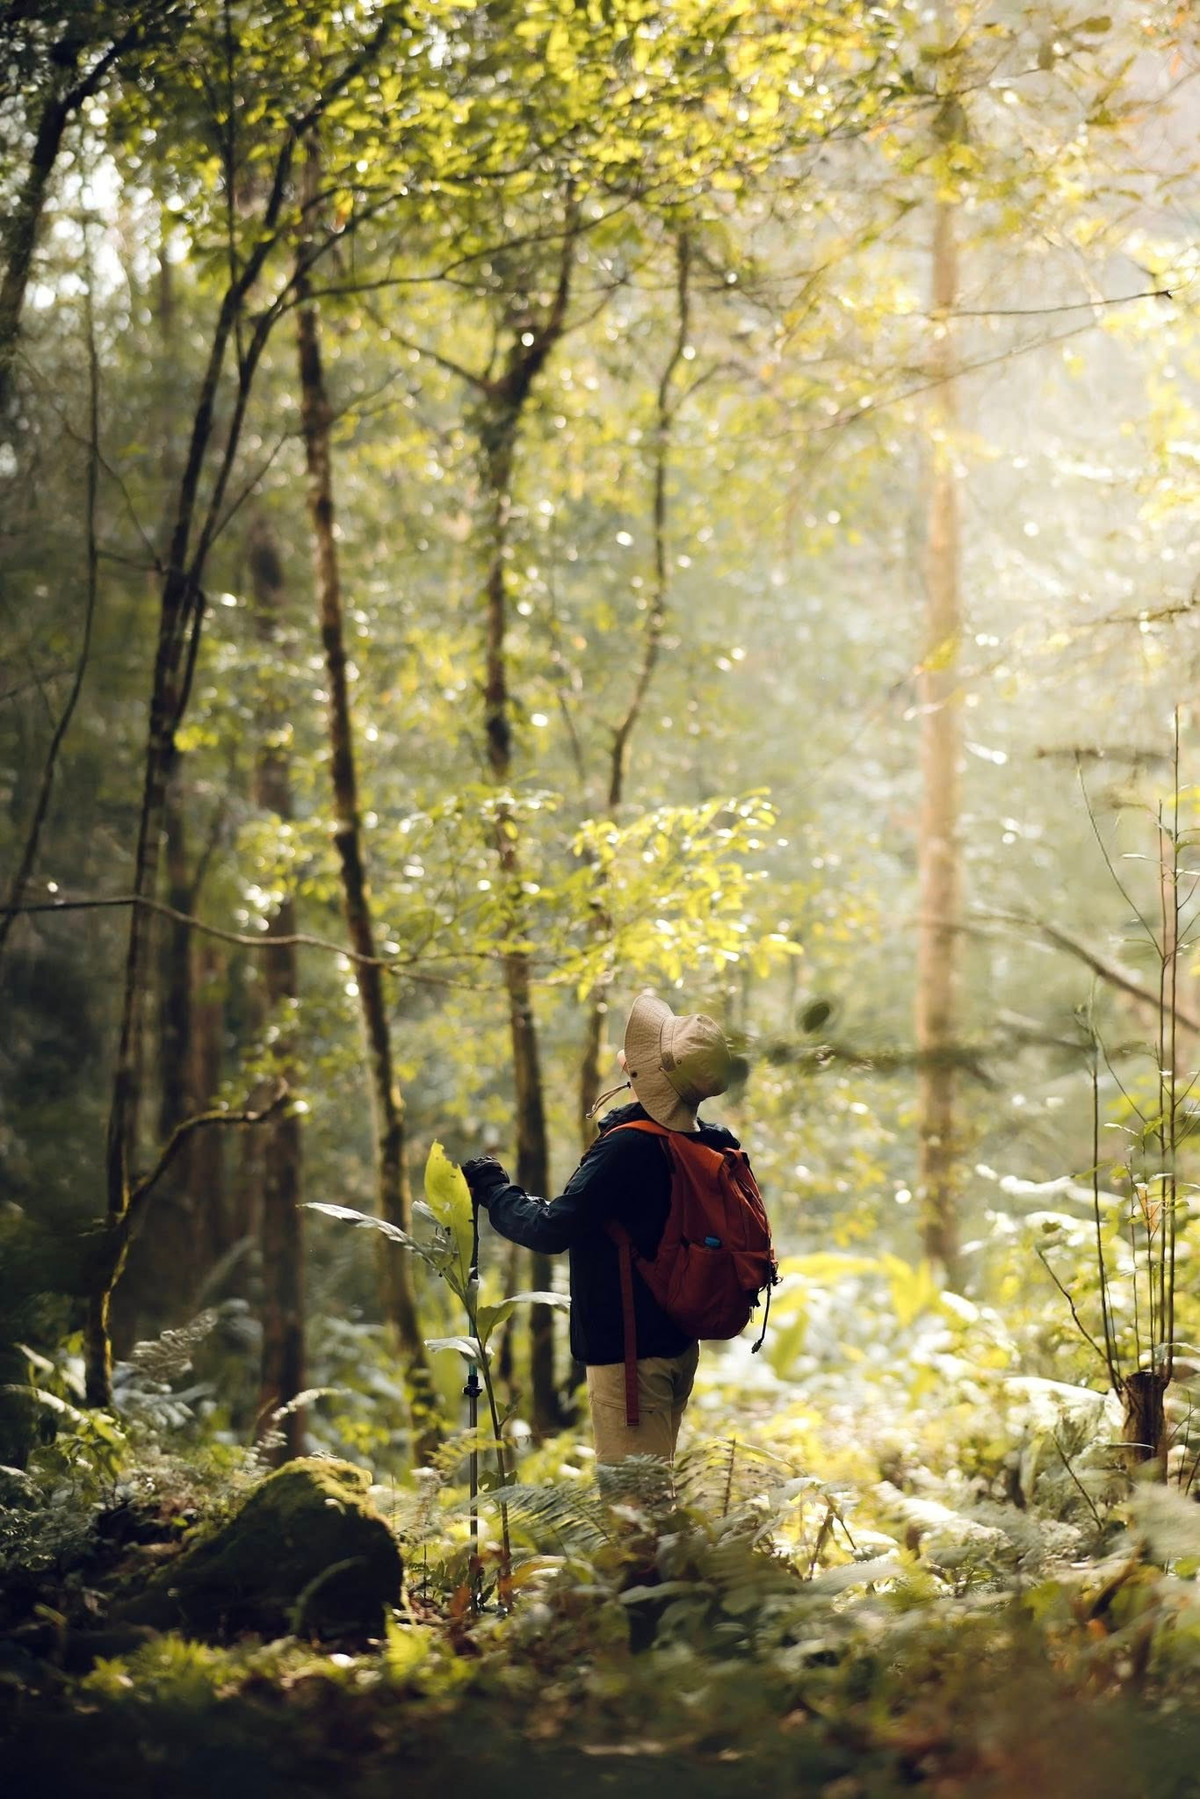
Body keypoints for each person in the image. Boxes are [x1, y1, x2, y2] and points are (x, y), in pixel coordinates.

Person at [461, 993, 739, 1466]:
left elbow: (552, 1230)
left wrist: (495, 1190)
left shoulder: (627, 1147)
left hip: (630, 1360)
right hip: (676, 1348)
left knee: (633, 1512)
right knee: (653, 1498)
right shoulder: (708, 1140)